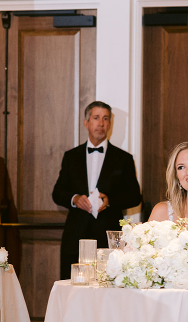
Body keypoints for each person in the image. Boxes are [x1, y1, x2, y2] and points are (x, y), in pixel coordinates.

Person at [52, 101, 142, 279]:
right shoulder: (71, 157)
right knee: (71, 288)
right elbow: (58, 192)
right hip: (75, 236)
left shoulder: (123, 159)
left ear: (110, 124)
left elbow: (134, 197)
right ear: (86, 123)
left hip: (108, 237)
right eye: (96, 118)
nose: (101, 123)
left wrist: (110, 200)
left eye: (105, 118)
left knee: (107, 290)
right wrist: (75, 198)